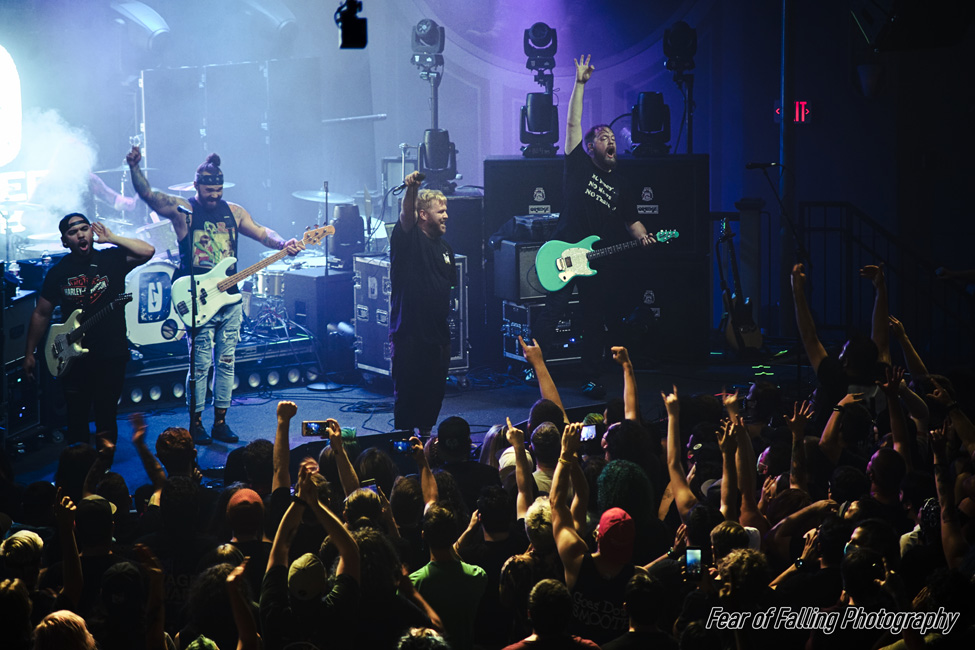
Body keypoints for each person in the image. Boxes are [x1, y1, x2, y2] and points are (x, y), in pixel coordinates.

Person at [125, 146, 299, 444]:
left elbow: (260, 231)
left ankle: (221, 421)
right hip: (198, 296)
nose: (214, 195)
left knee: (227, 361)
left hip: (229, 298)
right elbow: (150, 196)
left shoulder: (234, 211)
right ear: (197, 186)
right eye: (209, 190)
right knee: (201, 362)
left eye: (218, 189)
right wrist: (135, 168)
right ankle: (196, 423)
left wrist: (283, 242)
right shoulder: (185, 211)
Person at [533, 55, 656, 398]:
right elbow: (572, 125)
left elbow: (632, 220)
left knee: (593, 318)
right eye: (602, 137)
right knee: (553, 310)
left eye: (612, 136)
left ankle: (591, 376)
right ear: (590, 148)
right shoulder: (578, 167)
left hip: (596, 259)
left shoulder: (622, 185)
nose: (609, 139)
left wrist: (644, 236)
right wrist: (580, 84)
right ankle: (533, 363)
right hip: (563, 250)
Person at [23, 213, 154, 446]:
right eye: (73, 232)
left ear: (92, 233)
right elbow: (41, 313)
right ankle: (79, 471)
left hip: (110, 352)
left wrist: (112, 237)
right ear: (65, 241)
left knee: (106, 415)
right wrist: (29, 352)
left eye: (84, 229)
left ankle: (104, 471)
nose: (80, 234)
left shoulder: (112, 259)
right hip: (72, 358)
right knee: (76, 417)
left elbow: (148, 251)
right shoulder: (58, 272)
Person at [389, 170, 455, 436]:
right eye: (440, 211)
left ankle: (427, 440)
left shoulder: (446, 248)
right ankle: (404, 447)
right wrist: (412, 189)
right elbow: (406, 216)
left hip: (438, 336)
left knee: (434, 394)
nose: (446, 216)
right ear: (424, 215)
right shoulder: (408, 238)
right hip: (409, 335)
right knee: (407, 397)